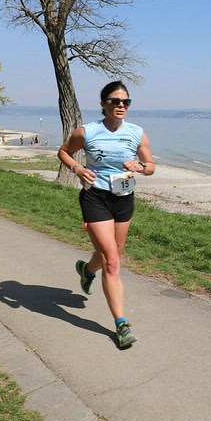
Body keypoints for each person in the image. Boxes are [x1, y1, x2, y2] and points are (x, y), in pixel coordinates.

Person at [57, 81, 155, 349]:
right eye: (114, 100)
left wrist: (141, 166)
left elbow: (151, 166)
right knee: (112, 260)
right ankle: (122, 324)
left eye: (125, 101)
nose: (120, 105)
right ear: (103, 104)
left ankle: (87, 269)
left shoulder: (137, 133)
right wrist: (77, 169)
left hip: (124, 199)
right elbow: (63, 152)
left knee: (115, 252)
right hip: (95, 197)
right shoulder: (87, 132)